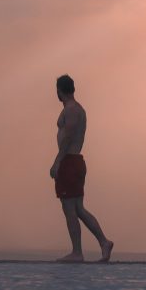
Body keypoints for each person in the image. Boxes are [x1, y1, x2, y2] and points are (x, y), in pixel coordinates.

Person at [50, 74, 114, 263]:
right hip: (74, 161)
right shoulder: (77, 109)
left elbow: (68, 136)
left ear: (59, 91)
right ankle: (104, 242)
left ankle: (77, 252)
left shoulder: (71, 110)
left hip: (69, 161)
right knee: (78, 208)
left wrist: (57, 161)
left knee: (69, 208)